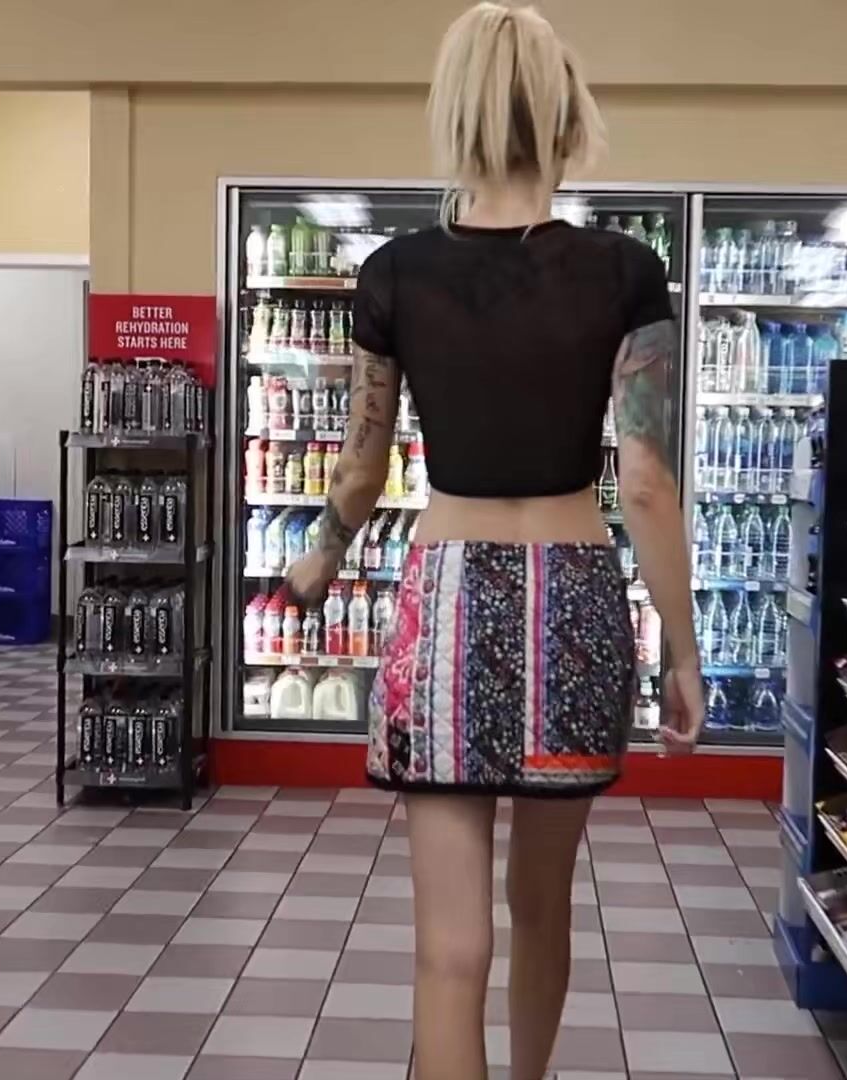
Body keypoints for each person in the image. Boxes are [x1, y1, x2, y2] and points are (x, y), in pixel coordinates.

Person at [285, 4, 704, 1077]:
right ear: (566, 118)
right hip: (575, 600)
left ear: (454, 115)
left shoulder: (395, 274)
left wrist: (322, 555)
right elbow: (646, 483)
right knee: (543, 905)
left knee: (450, 946)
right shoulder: (626, 270)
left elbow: (362, 468)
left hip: (447, 604)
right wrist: (683, 647)